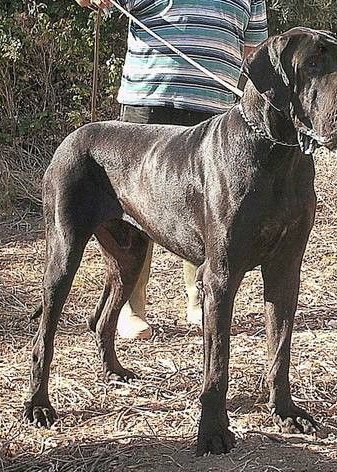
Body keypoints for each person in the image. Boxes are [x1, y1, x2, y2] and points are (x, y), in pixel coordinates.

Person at [75, 0, 268, 339]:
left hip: (215, 112)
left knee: (208, 209)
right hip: (149, 102)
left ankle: (200, 300)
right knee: (135, 206)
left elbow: (256, 53)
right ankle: (130, 308)